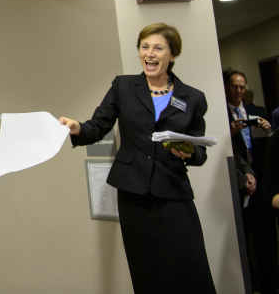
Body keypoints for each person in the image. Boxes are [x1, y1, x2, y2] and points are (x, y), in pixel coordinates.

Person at [59, 22, 216, 293]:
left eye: (158, 48)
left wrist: (189, 152)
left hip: (173, 192)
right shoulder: (123, 87)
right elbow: (98, 126)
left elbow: (199, 151)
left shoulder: (193, 98)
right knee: (147, 270)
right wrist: (78, 128)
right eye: (144, 47)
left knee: (190, 268)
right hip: (134, 193)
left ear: (172, 54)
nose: (149, 53)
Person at [225, 70, 275, 293]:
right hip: (239, 182)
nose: (238, 91)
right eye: (235, 86)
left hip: (264, 179)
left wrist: (268, 130)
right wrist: (231, 131)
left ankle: (271, 281)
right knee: (246, 236)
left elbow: (271, 146)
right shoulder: (223, 115)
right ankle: (252, 283)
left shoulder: (257, 111)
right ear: (227, 87)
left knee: (267, 235)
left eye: (242, 87)